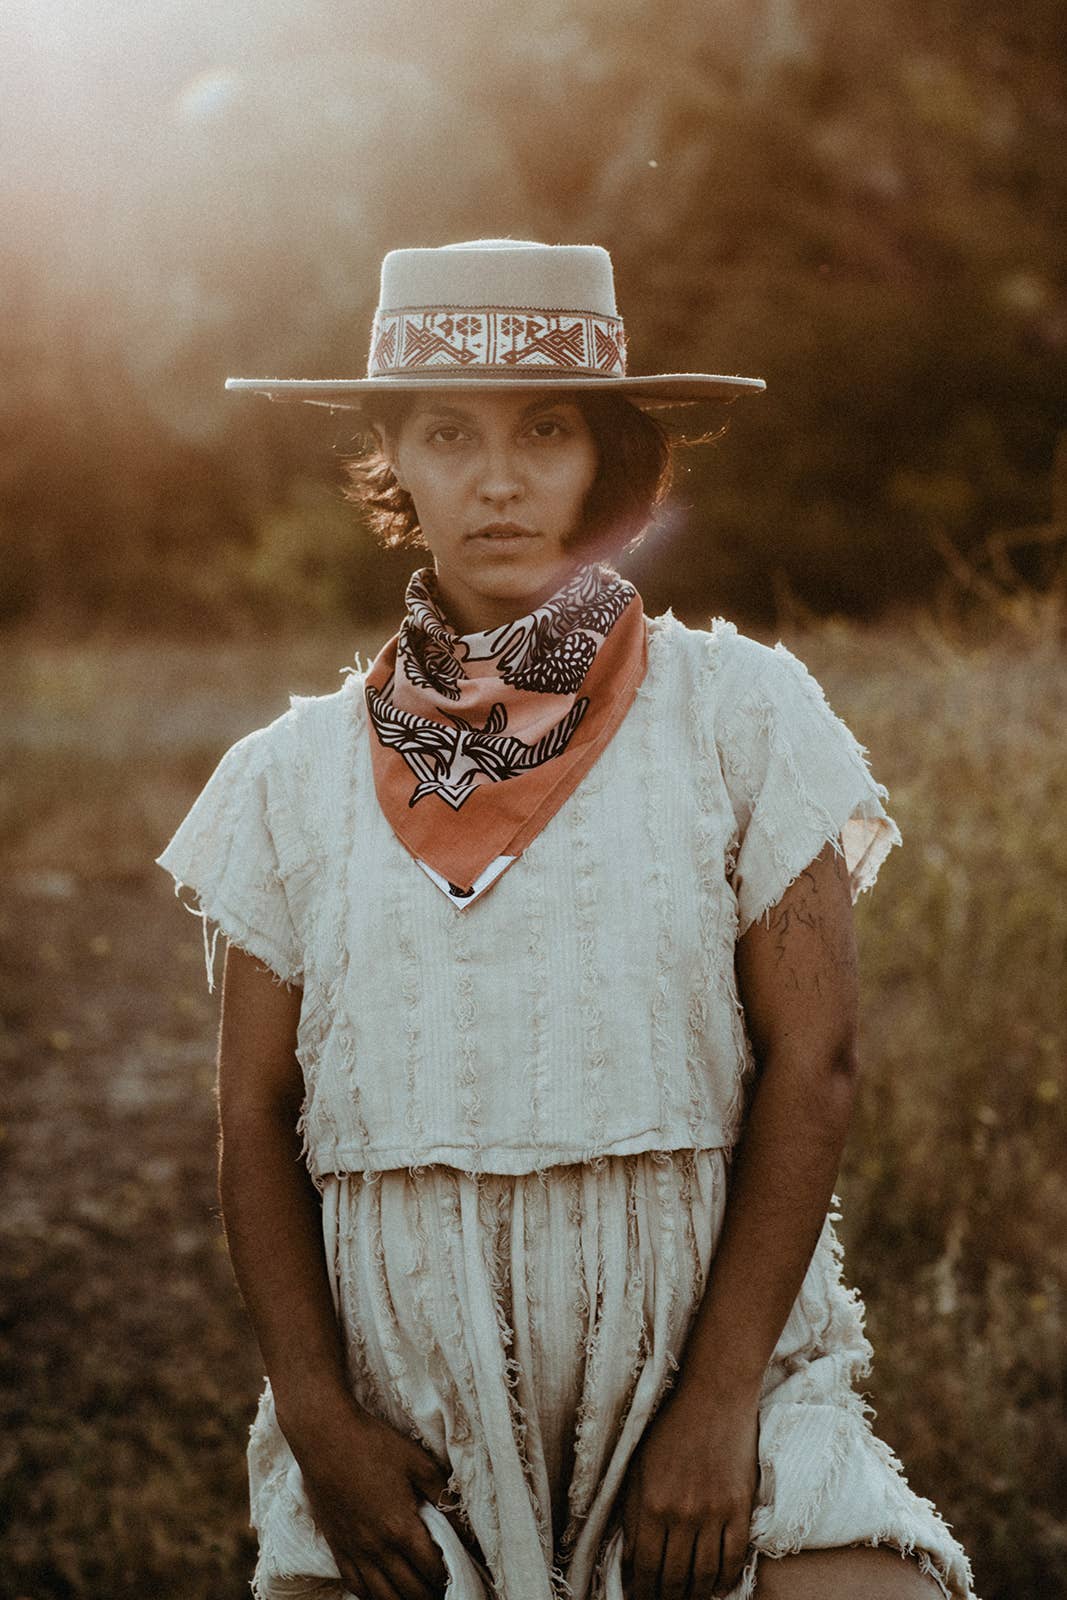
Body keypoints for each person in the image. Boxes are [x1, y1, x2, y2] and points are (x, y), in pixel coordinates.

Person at [156, 240, 977, 1600]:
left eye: (547, 429)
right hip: (403, 1417)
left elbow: (815, 1067)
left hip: (711, 1388)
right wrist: (316, 1418)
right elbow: (252, 1117)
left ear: (609, 454)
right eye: (447, 433)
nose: (498, 478)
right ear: (393, 461)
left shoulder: (741, 715)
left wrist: (718, 1412)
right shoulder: (284, 779)